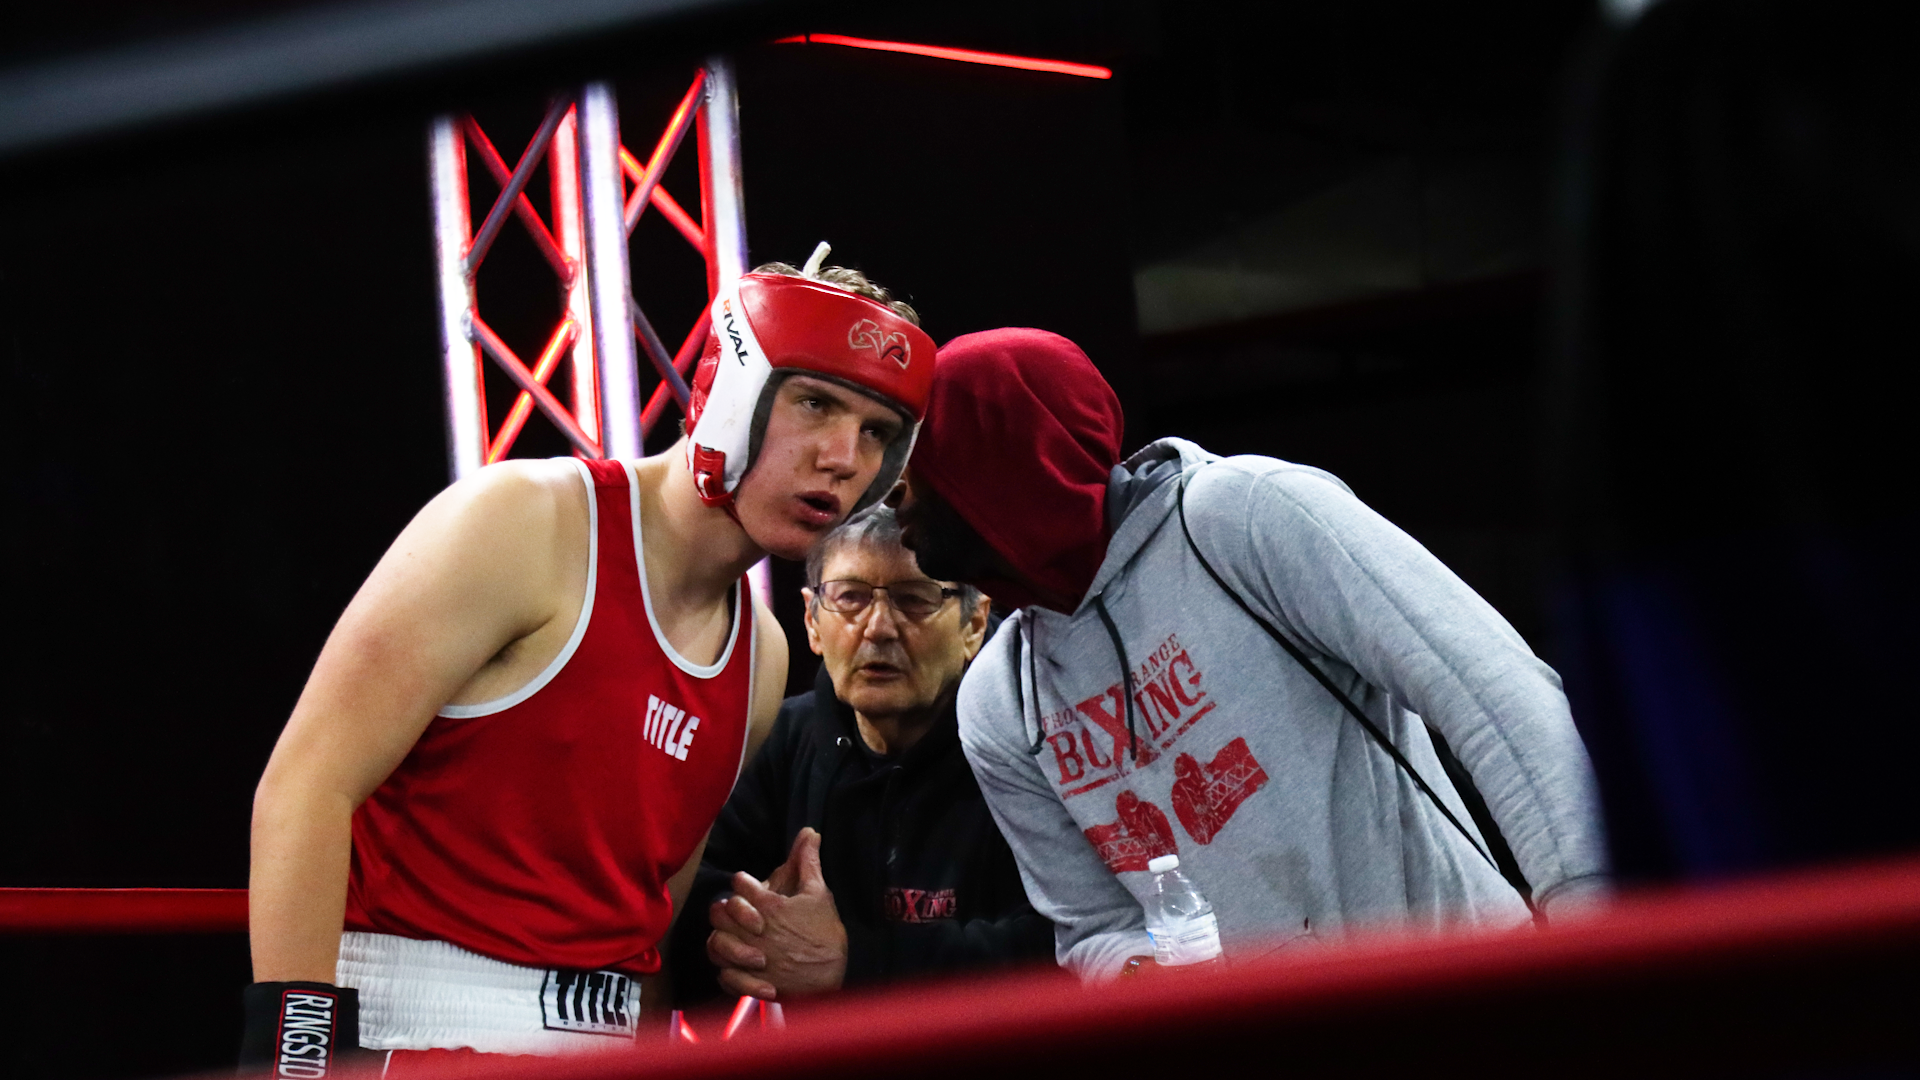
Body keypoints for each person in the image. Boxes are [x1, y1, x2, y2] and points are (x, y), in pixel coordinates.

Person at [240, 253, 935, 1073]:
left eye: (877, 432)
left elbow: (647, 925)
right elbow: (307, 787)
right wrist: (291, 1061)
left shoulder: (760, 652)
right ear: (731, 392)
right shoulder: (522, 524)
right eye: (815, 403)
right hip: (414, 1032)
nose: (843, 456)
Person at [889, 327, 1610, 981]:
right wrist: (1138, 974)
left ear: (993, 456)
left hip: (1471, 1000)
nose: (891, 489)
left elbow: (1497, 698)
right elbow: (1091, 928)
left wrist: (1596, 928)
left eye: (915, 456)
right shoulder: (1000, 701)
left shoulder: (1241, 516)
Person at [667, 506, 1054, 1006]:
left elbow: (1066, 948)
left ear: (974, 623)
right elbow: (683, 893)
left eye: (914, 599)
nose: (878, 628)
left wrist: (854, 962)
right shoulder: (779, 737)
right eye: (850, 598)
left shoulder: (1034, 744)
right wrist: (756, 923)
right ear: (811, 621)